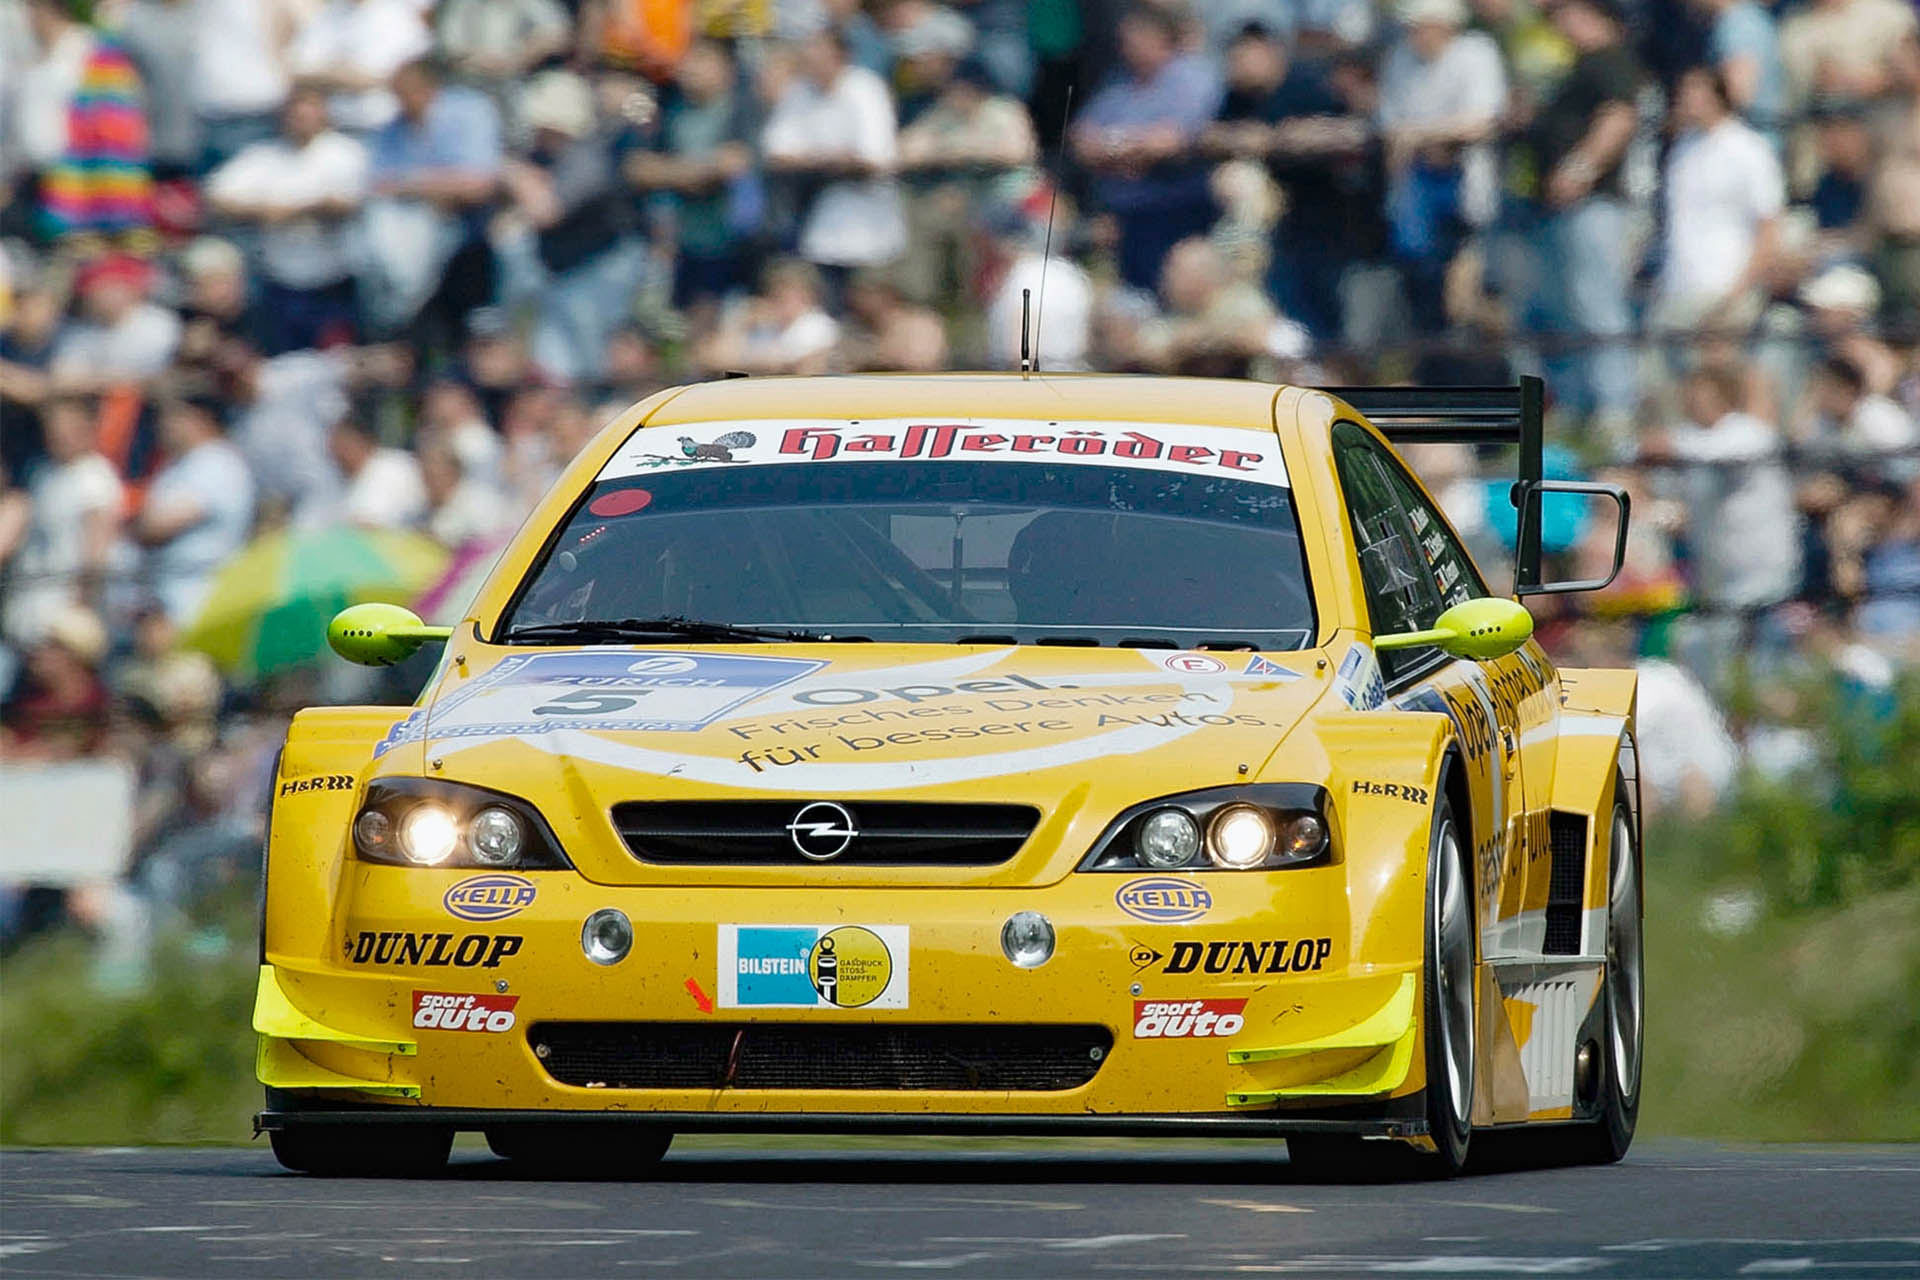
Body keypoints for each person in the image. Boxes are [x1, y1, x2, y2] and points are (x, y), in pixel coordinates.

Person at [1508, 0, 1642, 438]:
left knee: (1596, 306)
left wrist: (1580, 168)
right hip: (1556, 209)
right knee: (1566, 311)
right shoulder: (1577, 66)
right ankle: (1581, 404)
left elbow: (1619, 116)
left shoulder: (1608, 60)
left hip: (1591, 203)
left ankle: (1615, 405)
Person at [1204, 24, 1385, 345]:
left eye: (1244, 55)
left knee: (1337, 317)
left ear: (1269, 53)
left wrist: (1275, 140)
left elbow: (1348, 131)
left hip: (1336, 220)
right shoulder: (1239, 96)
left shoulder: (1306, 85)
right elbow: (1211, 135)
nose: (1237, 64)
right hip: (1285, 226)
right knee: (1292, 307)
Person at [495, 69, 644, 385]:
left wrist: (514, 173)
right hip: (561, 274)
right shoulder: (543, 156)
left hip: (598, 270)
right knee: (558, 367)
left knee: (592, 359)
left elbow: (546, 211)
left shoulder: (587, 158)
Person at [205, 83, 370, 355]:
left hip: (333, 285)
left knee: (338, 361)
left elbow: (349, 203)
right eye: (295, 113)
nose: (301, 120)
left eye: (308, 112)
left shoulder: (345, 153)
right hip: (280, 284)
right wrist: (261, 211)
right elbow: (217, 196)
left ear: (323, 114)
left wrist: (293, 210)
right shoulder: (264, 156)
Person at [1070, 3, 1223, 291]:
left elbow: (1170, 141)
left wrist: (1113, 149)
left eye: (1136, 36)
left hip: (1176, 209)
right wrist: (1130, 150)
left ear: (1161, 37)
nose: (1126, 45)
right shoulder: (1119, 80)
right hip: (1125, 213)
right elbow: (1081, 138)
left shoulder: (1190, 74)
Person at [1377, 0, 1508, 334]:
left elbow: (1481, 120)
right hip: (1416, 180)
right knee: (1418, 269)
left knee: (1477, 279)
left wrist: (1420, 135)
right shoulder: (1400, 59)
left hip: (1464, 180)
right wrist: (1418, 139)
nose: (1417, 36)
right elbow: (1390, 124)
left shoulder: (1476, 53)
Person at [359, 58, 502, 338]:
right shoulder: (393, 129)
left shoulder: (470, 112)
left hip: (474, 241)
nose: (400, 102)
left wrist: (414, 184)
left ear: (428, 89)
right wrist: (438, 187)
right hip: (422, 249)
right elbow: (377, 186)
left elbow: (479, 185)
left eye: (406, 93)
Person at [761, 27, 907, 284]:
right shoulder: (800, 91)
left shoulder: (866, 90)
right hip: (818, 227)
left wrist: (815, 160)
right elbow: (777, 154)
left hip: (870, 229)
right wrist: (831, 160)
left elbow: (875, 160)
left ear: (841, 56)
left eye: (819, 54)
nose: (812, 61)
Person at [895, 56, 1038, 313]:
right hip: (973, 206)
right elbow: (906, 150)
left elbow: (1018, 152)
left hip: (1015, 202)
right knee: (926, 213)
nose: (953, 95)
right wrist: (947, 150)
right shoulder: (946, 115)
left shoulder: (1002, 109)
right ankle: (929, 298)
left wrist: (966, 150)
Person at [626, 39, 760, 311]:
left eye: (702, 60)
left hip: (732, 248)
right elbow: (638, 168)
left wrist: (673, 172)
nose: (690, 68)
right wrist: (697, 173)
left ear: (727, 69)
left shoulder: (743, 108)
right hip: (682, 244)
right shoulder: (672, 109)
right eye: (688, 60)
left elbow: (735, 162)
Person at [1650, 67, 1784, 339]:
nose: (1687, 100)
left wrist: (1740, 290)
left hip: (1724, 285)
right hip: (1676, 285)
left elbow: (1769, 224)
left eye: (1696, 92)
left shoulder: (1748, 149)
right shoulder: (1682, 149)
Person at [0, 396, 122, 648]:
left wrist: (80, 610)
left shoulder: (96, 479)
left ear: (87, 428)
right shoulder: (42, 473)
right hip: (23, 610)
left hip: (60, 619)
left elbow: (96, 556)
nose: (58, 437)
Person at [131, 391, 256, 626]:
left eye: (175, 416)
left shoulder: (218, 462)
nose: (164, 425)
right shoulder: (176, 464)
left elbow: (158, 526)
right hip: (165, 599)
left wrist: (137, 525)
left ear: (200, 418)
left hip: (201, 598)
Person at [286, 0, 432, 135]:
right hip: (338, 129)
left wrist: (354, 76)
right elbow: (298, 70)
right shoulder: (329, 16)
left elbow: (413, 73)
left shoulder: (398, 15)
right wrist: (343, 76)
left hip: (388, 128)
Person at [48, 255, 180, 392]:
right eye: (96, 290)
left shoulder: (159, 324)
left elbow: (158, 375)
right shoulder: (79, 333)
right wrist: (115, 380)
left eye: (111, 288)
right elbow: (63, 380)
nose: (104, 296)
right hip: (93, 403)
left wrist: (96, 380)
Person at [696, 258, 841, 376]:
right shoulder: (762, 323)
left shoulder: (819, 326)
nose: (777, 300)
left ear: (808, 296)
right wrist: (740, 323)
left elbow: (801, 366)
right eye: (774, 294)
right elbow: (712, 360)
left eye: (786, 294)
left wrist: (741, 363)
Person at [1688, 0, 1786, 137]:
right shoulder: (1744, 19)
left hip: (1745, 143)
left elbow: (1738, 93)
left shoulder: (1740, 24)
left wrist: (1688, 112)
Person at [326, 416, 425, 529]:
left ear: (359, 440)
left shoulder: (391, 467)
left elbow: (369, 525)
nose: (336, 452)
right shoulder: (350, 481)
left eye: (342, 443)